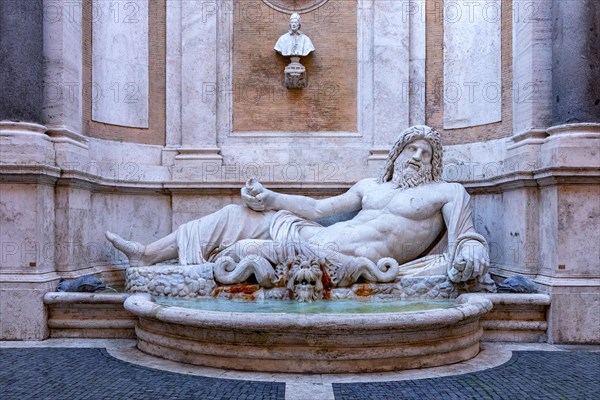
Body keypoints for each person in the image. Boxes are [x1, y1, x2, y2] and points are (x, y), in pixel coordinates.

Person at [106, 125, 490, 283]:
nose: (418, 156)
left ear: (434, 162)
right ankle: (148, 255)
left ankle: (197, 276)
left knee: (246, 250)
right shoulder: (370, 186)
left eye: (426, 152)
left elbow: (466, 237)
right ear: (398, 152)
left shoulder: (448, 193)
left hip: (349, 262)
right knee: (235, 214)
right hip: (318, 236)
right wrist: (271, 198)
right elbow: (320, 209)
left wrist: (471, 251)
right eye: (412, 148)